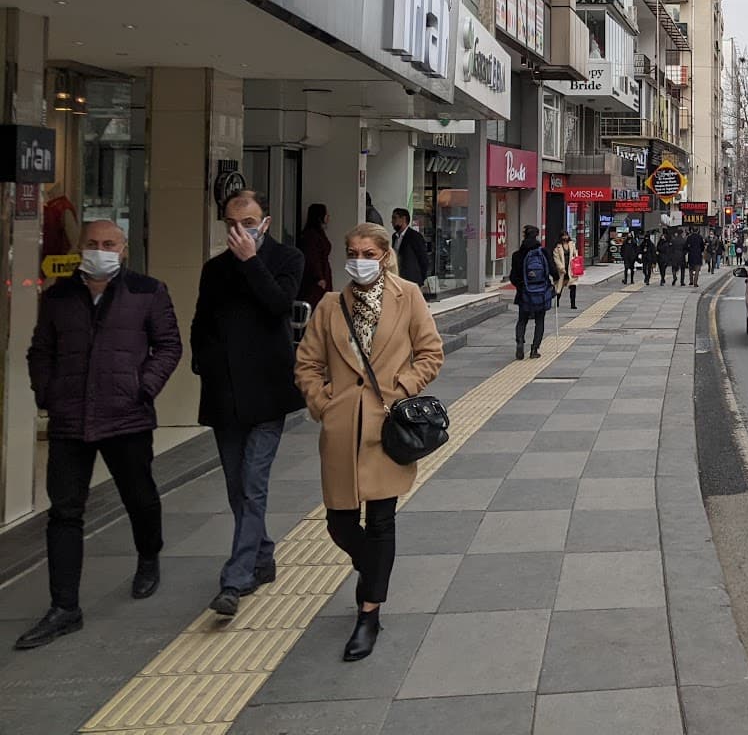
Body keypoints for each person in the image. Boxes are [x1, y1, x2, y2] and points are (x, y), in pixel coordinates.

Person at [17, 221, 182, 650]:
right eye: (92, 244)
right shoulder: (59, 296)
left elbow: (168, 345)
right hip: (70, 420)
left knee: (139, 496)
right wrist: (47, 393)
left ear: (124, 249)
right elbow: (41, 349)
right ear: (78, 248)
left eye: (109, 244)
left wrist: (142, 388)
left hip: (126, 417)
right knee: (64, 513)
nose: (100, 250)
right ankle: (64, 607)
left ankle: (149, 556)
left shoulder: (148, 291)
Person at [294, 222, 444, 662]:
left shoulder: (408, 296)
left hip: (387, 430)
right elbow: (306, 363)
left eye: (367, 252)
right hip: (341, 430)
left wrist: (403, 386)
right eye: (352, 251)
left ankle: (369, 611)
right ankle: (372, 568)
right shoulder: (329, 306)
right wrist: (324, 404)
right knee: (339, 524)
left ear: (383, 255)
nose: (358, 260)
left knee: (381, 522)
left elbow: (431, 353)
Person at [191, 190, 306, 617]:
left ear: (267, 222)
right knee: (237, 488)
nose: (241, 232)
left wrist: (250, 261)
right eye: (232, 225)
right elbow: (201, 320)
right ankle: (262, 556)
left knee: (254, 485)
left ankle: (235, 580)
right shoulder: (213, 269)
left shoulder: (287, 258)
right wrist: (201, 361)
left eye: (250, 223)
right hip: (224, 395)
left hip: (268, 393)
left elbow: (278, 304)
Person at [508, 227, 557, 358]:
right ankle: (534, 349)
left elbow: (513, 277)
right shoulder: (543, 252)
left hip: (524, 293)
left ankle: (519, 342)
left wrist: (521, 286)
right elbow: (553, 270)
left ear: (524, 236)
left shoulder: (517, 255)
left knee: (522, 320)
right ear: (537, 236)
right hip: (541, 292)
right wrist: (555, 282)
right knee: (540, 320)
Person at [297, 203, 333, 310]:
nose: (328, 217)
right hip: (316, 280)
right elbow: (312, 258)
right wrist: (319, 277)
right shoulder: (312, 236)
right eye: (326, 215)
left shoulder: (318, 233)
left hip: (323, 274)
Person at [391, 209, 429, 289]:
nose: (392, 222)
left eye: (395, 218)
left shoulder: (415, 236)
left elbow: (423, 259)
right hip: (397, 278)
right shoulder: (395, 237)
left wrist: (421, 278)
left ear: (403, 219)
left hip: (411, 279)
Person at [551, 231, 577, 309]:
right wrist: (561, 268)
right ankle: (557, 301)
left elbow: (575, 254)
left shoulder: (571, 244)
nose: (565, 237)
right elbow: (556, 258)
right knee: (560, 287)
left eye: (566, 235)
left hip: (570, 269)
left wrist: (575, 257)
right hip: (562, 270)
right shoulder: (557, 247)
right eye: (563, 236)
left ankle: (573, 304)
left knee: (573, 286)